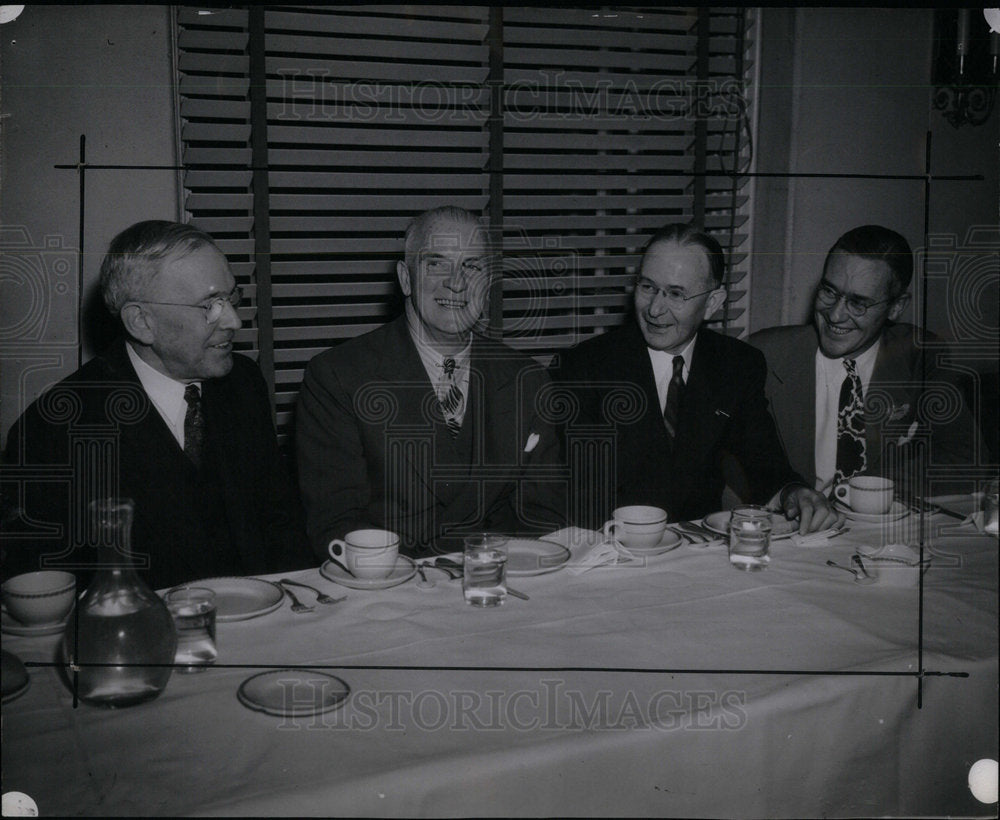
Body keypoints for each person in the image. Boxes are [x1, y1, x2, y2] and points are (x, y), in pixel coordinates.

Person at [2, 221, 313, 589]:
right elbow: (44, 593)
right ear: (142, 322)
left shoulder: (242, 383)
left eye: (231, 298)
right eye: (209, 305)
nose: (234, 320)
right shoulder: (55, 428)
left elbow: (280, 525)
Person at [296, 206, 565, 559]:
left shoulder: (527, 380)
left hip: (497, 584)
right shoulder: (338, 377)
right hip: (390, 594)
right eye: (437, 263)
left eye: (472, 266)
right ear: (405, 279)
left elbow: (543, 518)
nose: (456, 282)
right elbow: (336, 525)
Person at [550, 223, 839, 534]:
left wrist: (793, 492)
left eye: (676, 294)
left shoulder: (737, 364)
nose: (655, 309)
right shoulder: (584, 367)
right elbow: (573, 497)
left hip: (697, 554)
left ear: (713, 302)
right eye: (647, 287)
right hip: (612, 551)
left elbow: (764, 463)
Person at [749, 224, 979, 496]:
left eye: (858, 303)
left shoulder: (921, 355)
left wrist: (863, 493)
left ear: (896, 307)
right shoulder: (763, 354)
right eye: (829, 292)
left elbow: (964, 460)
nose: (835, 315)